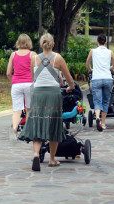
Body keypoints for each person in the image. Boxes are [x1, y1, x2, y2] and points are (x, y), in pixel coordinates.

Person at [18, 33, 75, 171]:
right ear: (53, 44)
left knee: (38, 123)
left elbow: (34, 79)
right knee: (54, 125)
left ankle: (36, 154)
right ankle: (51, 159)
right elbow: (69, 78)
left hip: (38, 94)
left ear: (41, 44)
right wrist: (70, 87)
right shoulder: (58, 58)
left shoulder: (34, 58)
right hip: (53, 95)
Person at [86, 34, 114, 132]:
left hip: (96, 79)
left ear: (97, 42)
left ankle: (97, 118)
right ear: (106, 42)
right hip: (108, 79)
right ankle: (103, 123)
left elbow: (87, 62)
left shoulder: (93, 51)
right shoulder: (110, 52)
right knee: (105, 101)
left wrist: (91, 69)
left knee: (97, 101)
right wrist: (109, 68)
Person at [6, 34, 36, 137]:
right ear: (29, 42)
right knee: (29, 109)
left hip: (16, 84)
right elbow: (36, 71)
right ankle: (26, 131)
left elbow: (8, 73)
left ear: (18, 42)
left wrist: (13, 81)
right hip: (29, 83)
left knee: (17, 110)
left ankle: (14, 129)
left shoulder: (13, 55)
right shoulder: (33, 54)